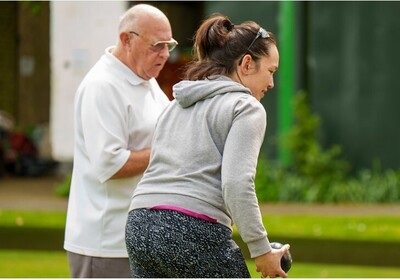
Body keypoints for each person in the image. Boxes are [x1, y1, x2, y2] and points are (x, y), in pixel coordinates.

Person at [125, 13, 290, 278]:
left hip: (139, 224)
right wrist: (261, 251)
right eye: (270, 71)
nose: (271, 83)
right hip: (192, 228)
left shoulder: (174, 106)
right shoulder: (246, 107)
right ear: (247, 64)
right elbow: (236, 184)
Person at [63, 4, 177, 278]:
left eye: (168, 45)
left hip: (140, 241)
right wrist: (170, 152)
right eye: (156, 45)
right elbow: (110, 164)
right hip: (105, 245)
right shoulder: (102, 86)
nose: (164, 54)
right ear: (127, 39)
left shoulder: (145, 80)